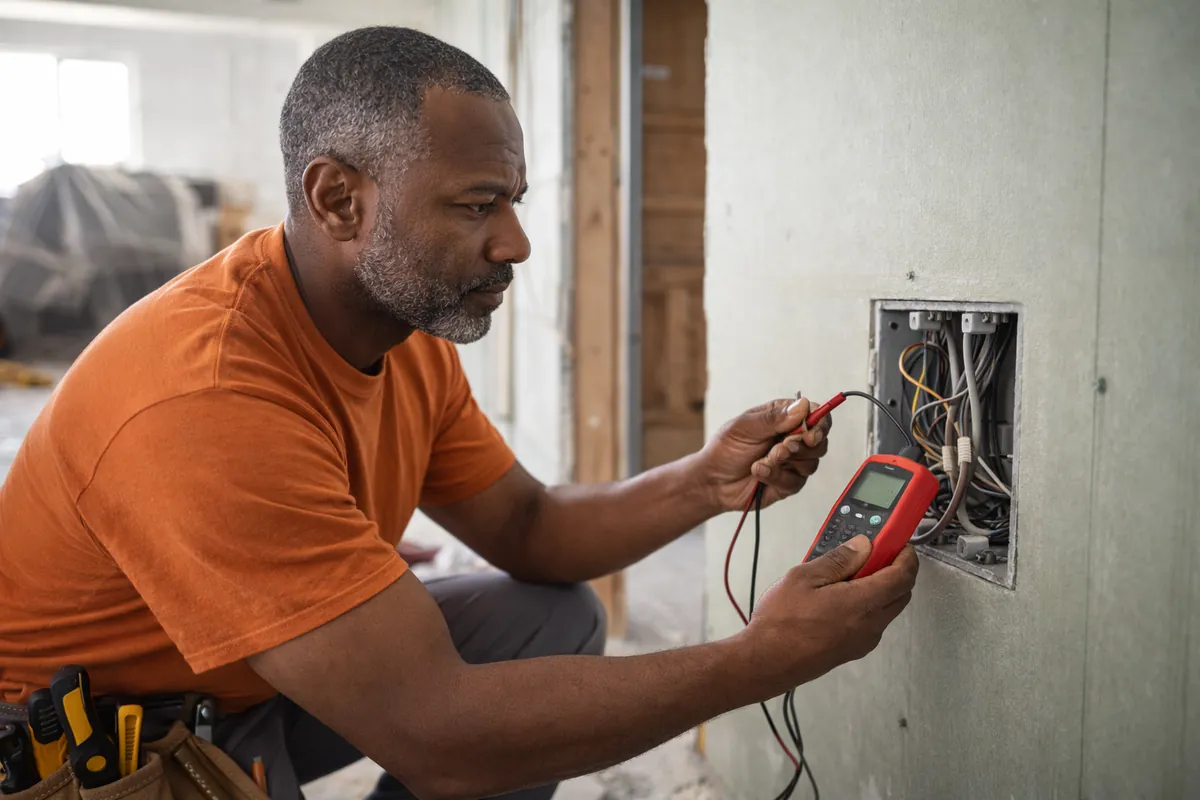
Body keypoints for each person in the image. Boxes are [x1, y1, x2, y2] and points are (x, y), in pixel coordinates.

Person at [0, 26, 918, 800]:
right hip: (104, 743)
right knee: (451, 720)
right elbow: (436, 734)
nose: (515, 243)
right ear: (338, 200)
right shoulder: (203, 396)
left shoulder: (404, 333)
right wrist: (762, 659)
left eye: (513, 201)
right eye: (478, 204)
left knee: (546, 621)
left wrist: (706, 482)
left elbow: (528, 527)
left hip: (241, 687)